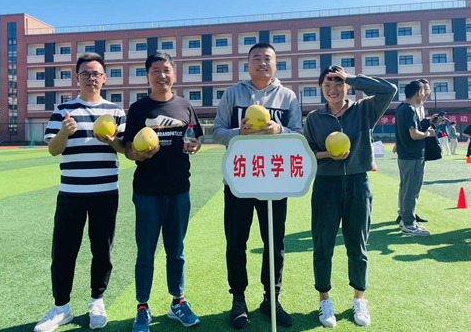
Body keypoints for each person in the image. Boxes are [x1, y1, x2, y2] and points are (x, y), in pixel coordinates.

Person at [213, 42, 303, 329]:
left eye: (267, 58)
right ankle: (238, 299)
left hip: (275, 181)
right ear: (248, 64)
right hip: (239, 179)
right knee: (236, 242)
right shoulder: (232, 93)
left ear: (275, 64)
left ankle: (271, 299)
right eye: (256, 58)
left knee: (274, 244)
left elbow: (299, 134)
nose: (262, 63)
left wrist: (280, 129)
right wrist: (237, 133)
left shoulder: (287, 96)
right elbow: (217, 132)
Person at [35, 53, 126, 332]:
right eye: (85, 73)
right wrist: (64, 132)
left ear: (104, 78)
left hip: (106, 192)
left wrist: (112, 141)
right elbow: (53, 150)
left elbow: (125, 149)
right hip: (71, 192)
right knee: (64, 251)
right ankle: (61, 308)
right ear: (77, 78)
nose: (91, 78)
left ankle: (97, 301)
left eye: (96, 73)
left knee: (102, 251)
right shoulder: (63, 110)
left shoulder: (116, 111)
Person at [303, 65, 396, 328]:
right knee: (323, 245)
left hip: (358, 182)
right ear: (321, 88)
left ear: (347, 87)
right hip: (326, 185)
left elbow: (390, 90)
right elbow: (306, 152)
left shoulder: (365, 109)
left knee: (358, 246)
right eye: (327, 85)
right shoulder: (314, 118)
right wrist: (326, 155)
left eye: (338, 84)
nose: (332, 89)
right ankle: (324, 300)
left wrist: (353, 78)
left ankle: (359, 299)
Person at [124, 51, 203, 332]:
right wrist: (138, 155)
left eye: (166, 70)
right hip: (147, 192)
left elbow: (196, 138)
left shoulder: (185, 106)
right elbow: (128, 149)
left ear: (174, 74)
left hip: (179, 190)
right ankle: (142, 306)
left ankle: (177, 302)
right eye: (155, 70)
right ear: (147, 76)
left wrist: (195, 146)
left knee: (176, 251)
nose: (162, 75)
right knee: (145, 252)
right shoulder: (138, 109)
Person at [395, 81, 436, 237]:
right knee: (411, 191)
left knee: (405, 189)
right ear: (418, 92)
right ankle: (409, 224)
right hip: (413, 155)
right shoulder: (410, 109)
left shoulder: (401, 107)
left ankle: (405, 219)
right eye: (424, 91)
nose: (425, 94)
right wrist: (428, 134)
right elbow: (414, 134)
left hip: (405, 155)